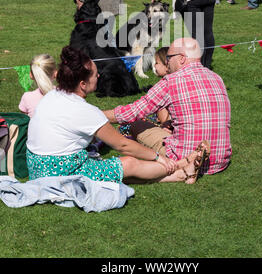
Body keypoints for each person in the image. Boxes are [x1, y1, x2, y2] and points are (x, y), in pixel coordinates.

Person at [26, 45, 208, 185]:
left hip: (36, 168)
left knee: (117, 170)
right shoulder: (85, 111)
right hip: (59, 173)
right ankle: (181, 168)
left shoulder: (53, 96)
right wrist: (158, 156)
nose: (99, 76)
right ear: (82, 83)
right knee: (129, 163)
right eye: (95, 75)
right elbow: (123, 145)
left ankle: (180, 172)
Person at [104, 38, 231, 176]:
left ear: (182, 59)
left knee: (136, 124)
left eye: (169, 58)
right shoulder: (216, 78)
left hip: (182, 157)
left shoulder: (171, 81)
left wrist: (95, 114)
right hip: (219, 160)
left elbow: (132, 113)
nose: (167, 62)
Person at [19, 54, 57, 119]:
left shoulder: (27, 97)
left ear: (31, 75)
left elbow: (24, 121)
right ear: (55, 73)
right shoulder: (66, 95)